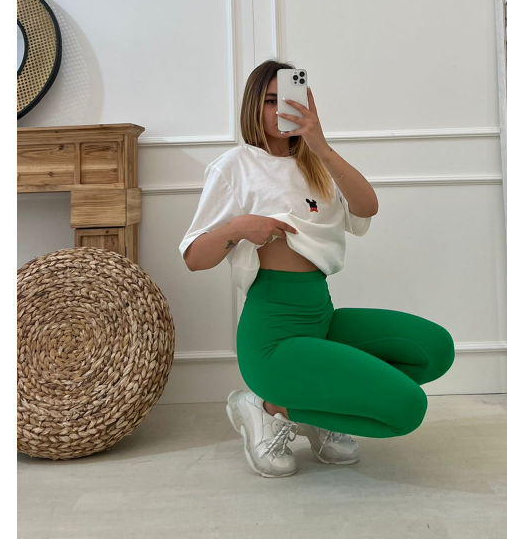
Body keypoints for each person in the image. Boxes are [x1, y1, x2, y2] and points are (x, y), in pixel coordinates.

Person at [179, 60, 455, 478]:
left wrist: (320, 145)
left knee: (434, 350)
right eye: (270, 101)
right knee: (406, 408)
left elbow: (367, 207)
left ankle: (310, 402)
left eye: (289, 100)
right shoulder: (235, 166)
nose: (280, 110)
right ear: (253, 106)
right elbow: (194, 258)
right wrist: (238, 228)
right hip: (273, 335)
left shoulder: (317, 164)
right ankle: (268, 406)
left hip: (320, 319)